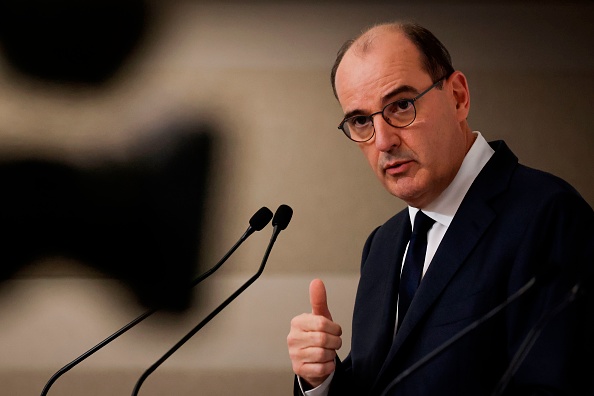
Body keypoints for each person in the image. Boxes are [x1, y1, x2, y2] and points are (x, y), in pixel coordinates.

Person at [287, 21, 594, 396]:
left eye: (401, 105)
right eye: (361, 120)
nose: (383, 141)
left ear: (458, 97)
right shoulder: (382, 245)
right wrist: (321, 380)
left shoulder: (549, 215)